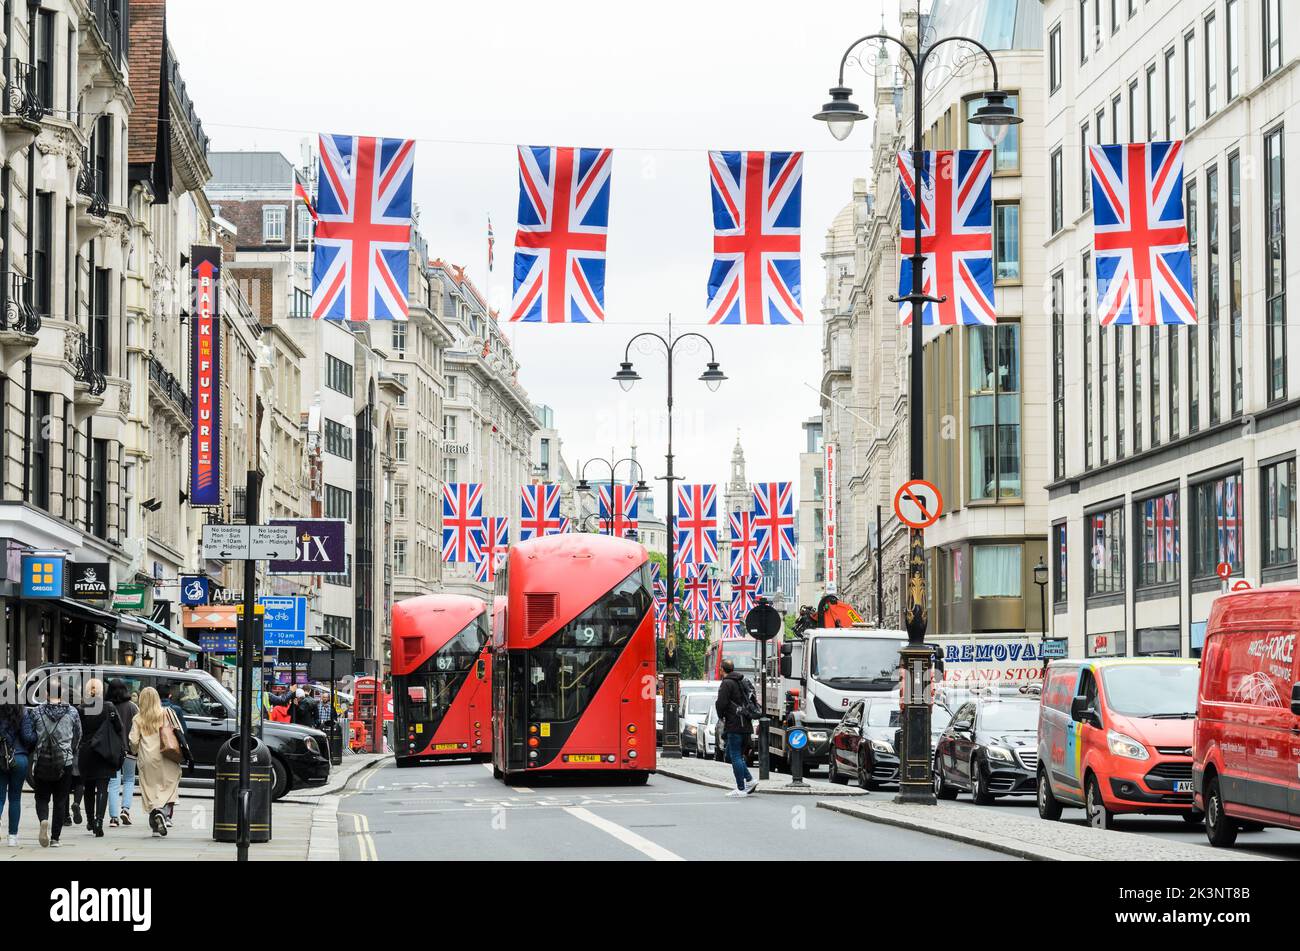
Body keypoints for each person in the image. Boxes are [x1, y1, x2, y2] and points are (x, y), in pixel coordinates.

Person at [29, 677, 82, 848]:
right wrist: (70, 750)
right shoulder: (72, 712)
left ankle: (44, 819)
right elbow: (78, 735)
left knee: (42, 797)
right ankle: (55, 838)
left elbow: (30, 736)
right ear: (63, 693)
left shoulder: (36, 712)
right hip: (64, 761)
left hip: (42, 760)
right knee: (61, 800)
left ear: (45, 693)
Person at [129, 687, 184, 837]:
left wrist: (134, 750)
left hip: (147, 758)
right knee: (169, 786)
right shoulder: (167, 713)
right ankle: (162, 812)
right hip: (167, 755)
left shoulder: (138, 718)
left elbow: (133, 741)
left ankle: (155, 825)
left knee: (150, 790)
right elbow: (179, 732)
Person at [76, 678, 125, 837]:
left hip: (86, 751)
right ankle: (99, 820)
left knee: (88, 787)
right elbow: (119, 727)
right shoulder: (109, 707)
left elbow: (77, 731)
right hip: (104, 750)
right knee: (102, 786)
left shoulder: (81, 709)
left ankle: (90, 820)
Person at [714, 659, 758, 798]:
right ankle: (750, 780)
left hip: (734, 724)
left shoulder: (727, 683)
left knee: (735, 756)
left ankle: (741, 787)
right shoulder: (741, 680)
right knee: (731, 754)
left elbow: (721, 703)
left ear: (722, 669)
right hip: (746, 724)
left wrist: (721, 716)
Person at [0, 687, 35, 847]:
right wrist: (35, 737)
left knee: (0, 797)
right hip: (19, 758)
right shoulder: (23, 712)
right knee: (15, 798)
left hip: (0, 757)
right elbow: (28, 737)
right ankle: (12, 837)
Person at [105, 680, 139, 828]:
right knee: (129, 779)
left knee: (113, 782)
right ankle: (125, 809)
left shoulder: (106, 707)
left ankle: (113, 818)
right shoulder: (132, 707)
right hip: (130, 749)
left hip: (112, 750)